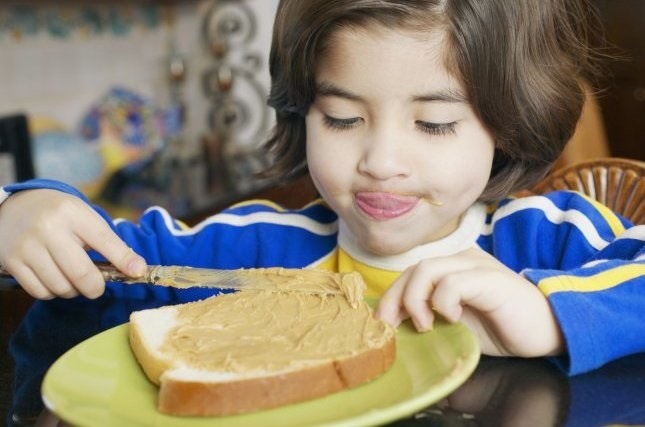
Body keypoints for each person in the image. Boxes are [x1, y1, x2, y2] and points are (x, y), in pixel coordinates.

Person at [0, 0, 643, 376]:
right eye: (342, 118)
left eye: (434, 124)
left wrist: (550, 316)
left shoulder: (545, 238)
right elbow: (93, 264)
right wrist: (23, 210)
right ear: (301, 111)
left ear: (506, 124)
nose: (382, 161)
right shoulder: (248, 249)